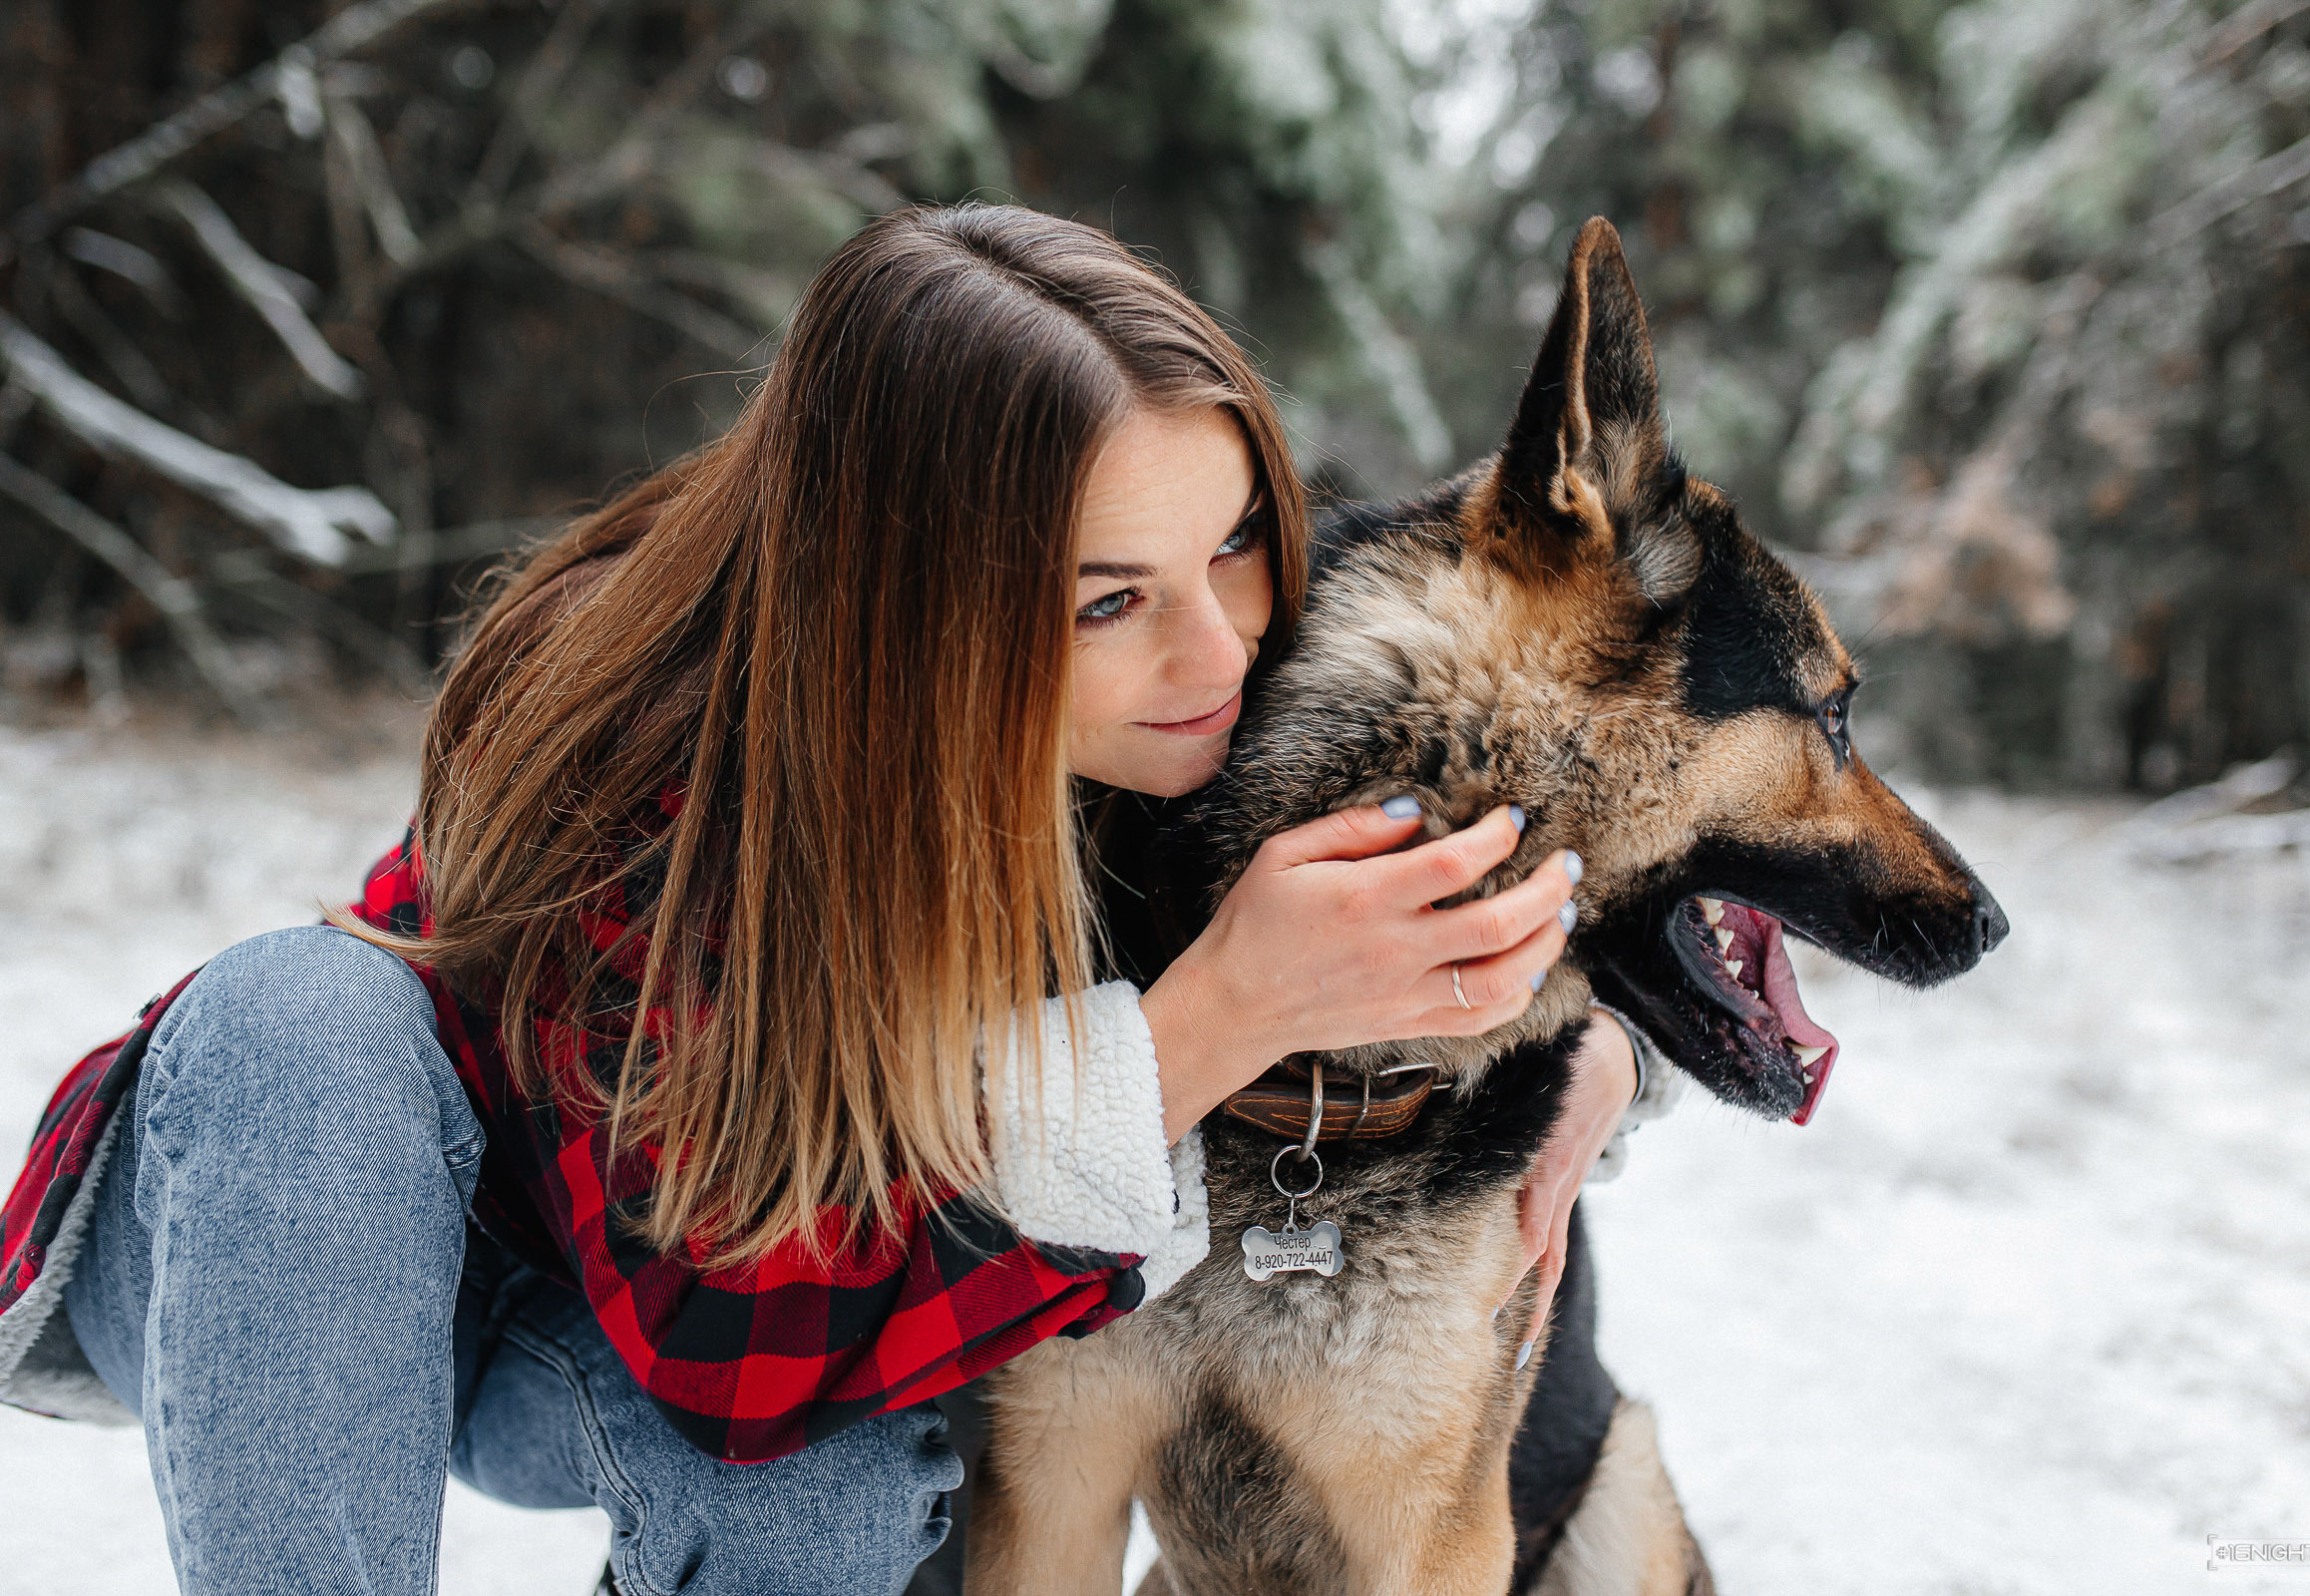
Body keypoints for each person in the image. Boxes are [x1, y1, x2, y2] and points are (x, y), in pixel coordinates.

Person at [0, 203, 1673, 1595]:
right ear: (909, 608)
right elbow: (734, 1332)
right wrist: (1220, 1012)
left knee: (839, 1500)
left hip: (709, 1306)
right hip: (372, 1248)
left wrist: (1586, 1050)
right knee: (308, 1011)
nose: (1222, 652)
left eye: (1234, 541)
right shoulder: (639, 728)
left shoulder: (1210, 673)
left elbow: (1569, 814)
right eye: (1105, 602)